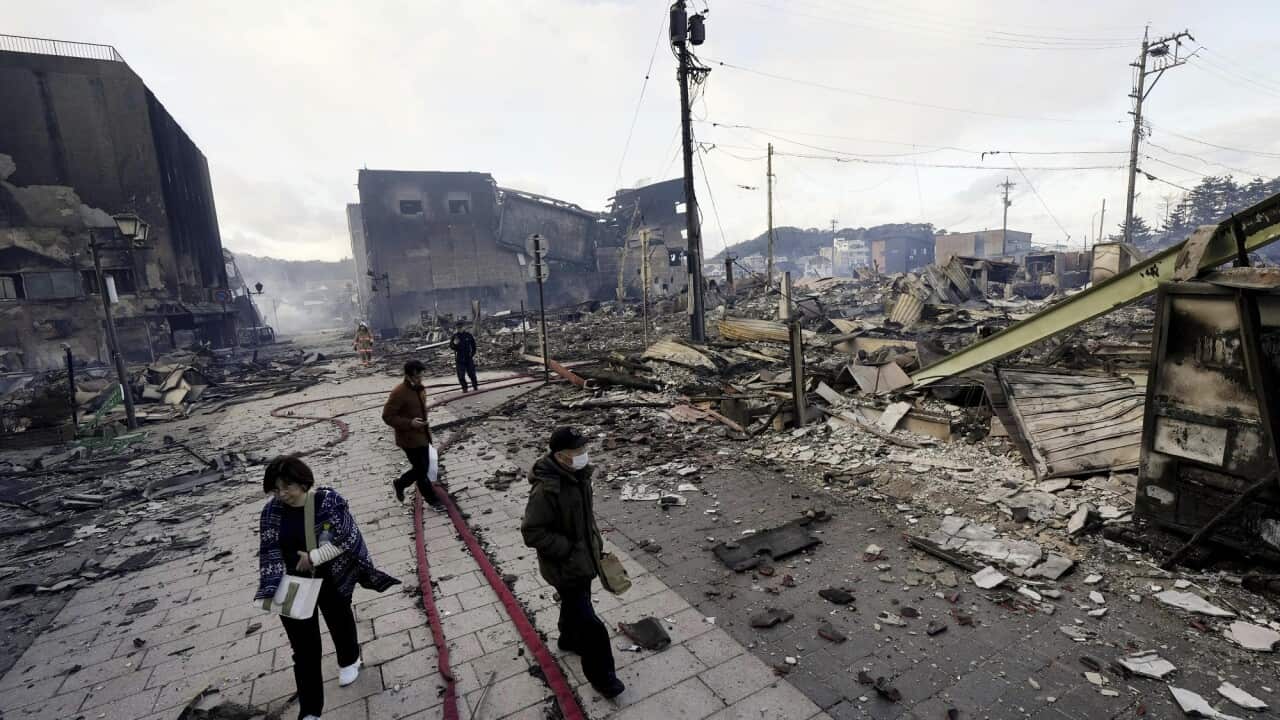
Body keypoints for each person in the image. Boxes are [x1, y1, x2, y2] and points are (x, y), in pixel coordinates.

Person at [254, 455, 400, 720]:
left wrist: (314, 557)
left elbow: (348, 538)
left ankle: (349, 658)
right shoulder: (271, 512)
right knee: (304, 650)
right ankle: (310, 712)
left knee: (339, 620)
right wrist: (270, 586)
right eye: (275, 489)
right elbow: (268, 551)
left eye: (287, 486)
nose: (282, 494)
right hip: (292, 583)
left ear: (303, 481)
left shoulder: (327, 502)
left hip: (331, 576)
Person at [521, 426, 625, 699]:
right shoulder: (547, 489)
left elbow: (583, 519)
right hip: (565, 566)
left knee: (575, 604)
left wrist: (593, 546)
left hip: (583, 561)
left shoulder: (579, 476)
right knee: (593, 627)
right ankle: (604, 679)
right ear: (560, 455)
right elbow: (531, 532)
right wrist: (568, 549)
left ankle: (567, 639)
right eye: (576, 452)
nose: (582, 455)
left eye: (584, 450)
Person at [382, 360, 441, 507]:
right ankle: (431, 499)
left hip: (423, 435)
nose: (421, 378)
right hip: (408, 439)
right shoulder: (399, 392)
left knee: (424, 467)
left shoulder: (420, 388)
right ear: (411, 375)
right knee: (421, 469)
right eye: (419, 375)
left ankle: (400, 483)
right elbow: (388, 416)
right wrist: (410, 423)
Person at [448, 322, 479, 392]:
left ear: (464, 327)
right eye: (458, 328)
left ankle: (475, 386)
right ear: (456, 328)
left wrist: (472, 354)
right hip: (459, 358)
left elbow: (474, 346)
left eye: (461, 327)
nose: (459, 329)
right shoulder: (455, 336)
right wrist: (455, 344)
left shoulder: (468, 335)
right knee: (461, 375)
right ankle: (464, 388)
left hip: (468, 357)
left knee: (472, 373)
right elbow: (451, 346)